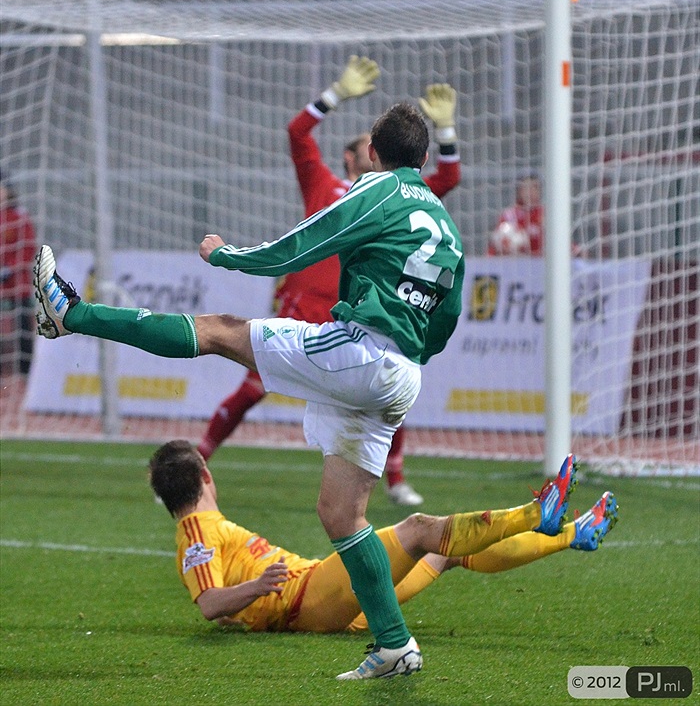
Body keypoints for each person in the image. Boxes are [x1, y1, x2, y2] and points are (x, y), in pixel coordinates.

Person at [33, 100, 571, 680]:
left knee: (219, 332)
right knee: (341, 515)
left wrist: (227, 255)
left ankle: (71, 313)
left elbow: (301, 245)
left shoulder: (379, 191)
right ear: (421, 156)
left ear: (373, 152)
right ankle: (394, 646)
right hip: (402, 373)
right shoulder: (444, 222)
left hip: (359, 351)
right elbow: (445, 318)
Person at [199, 55, 462, 508]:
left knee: (383, 390)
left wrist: (447, 132)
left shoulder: (401, 197)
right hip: (307, 307)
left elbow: (449, 177)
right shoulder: (325, 184)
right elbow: (296, 133)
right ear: (354, 156)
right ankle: (200, 456)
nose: (372, 148)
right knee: (254, 385)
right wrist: (334, 95)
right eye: (364, 144)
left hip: (361, 314)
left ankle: (395, 481)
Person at [149, 440, 618, 640]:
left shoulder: (206, 529)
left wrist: (250, 600)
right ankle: (538, 512)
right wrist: (257, 588)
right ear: (206, 476)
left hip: (327, 599)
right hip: (307, 599)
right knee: (415, 529)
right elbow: (210, 604)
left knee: (441, 552)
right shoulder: (196, 534)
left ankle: (575, 533)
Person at [0, 171, 37, 376]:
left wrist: (10, 268)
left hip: (16, 282)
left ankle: (26, 368)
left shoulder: (18, 216)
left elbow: (27, 248)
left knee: (23, 321)